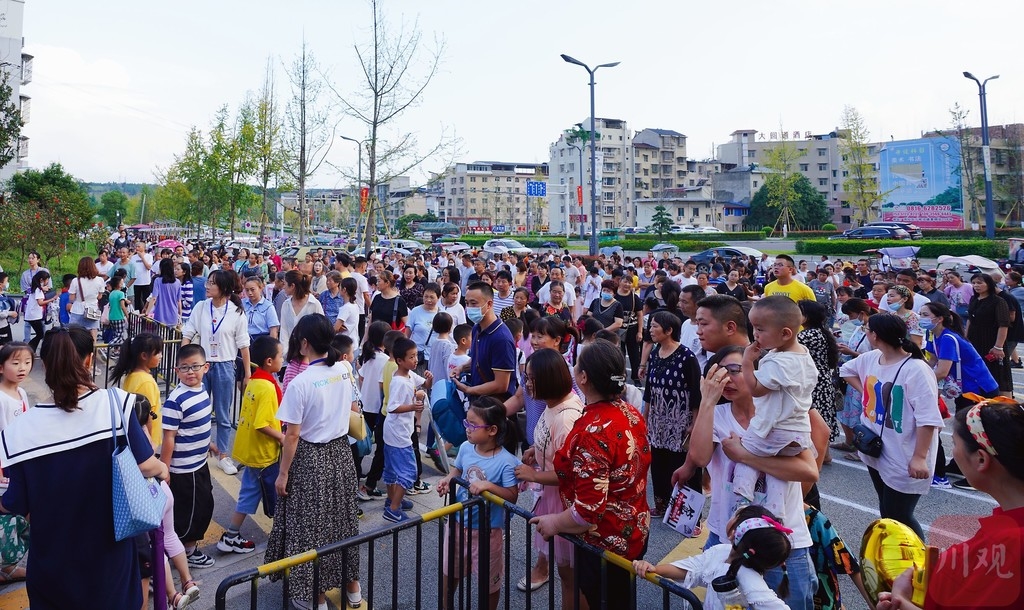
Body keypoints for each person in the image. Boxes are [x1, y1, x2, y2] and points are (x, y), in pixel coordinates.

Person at [0, 327, 168, 609]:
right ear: (89, 360)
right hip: (110, 565)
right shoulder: (116, 407)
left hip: (51, 568)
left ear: (43, 364)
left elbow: (14, 502)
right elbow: (147, 465)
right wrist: (163, 469)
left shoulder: (19, 433)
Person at [673, 346, 820, 609]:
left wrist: (746, 456)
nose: (727, 379)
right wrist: (706, 401)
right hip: (727, 537)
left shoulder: (782, 414)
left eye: (734, 370)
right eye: (718, 373)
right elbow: (699, 457)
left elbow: (809, 471)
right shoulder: (717, 415)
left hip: (784, 543)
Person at [530, 340, 650, 609]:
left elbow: (587, 511)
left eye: (578, 365)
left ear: (583, 377)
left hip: (605, 540)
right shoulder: (628, 411)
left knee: (605, 600)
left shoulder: (593, 432)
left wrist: (554, 522)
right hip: (633, 527)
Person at [878, 396, 1024, 610]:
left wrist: (901, 602)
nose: (953, 451)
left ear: (981, 460)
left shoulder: (1009, 545)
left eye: (954, 443)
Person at [266, 314, 363, 610]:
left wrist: (282, 474)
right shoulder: (345, 368)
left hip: (311, 457)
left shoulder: (301, 382)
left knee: (311, 527)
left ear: (304, 343)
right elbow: (353, 406)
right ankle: (352, 587)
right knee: (343, 520)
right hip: (341, 453)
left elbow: (292, 436)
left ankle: (317, 596)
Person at [839, 314, 941, 539]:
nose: (866, 333)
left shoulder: (916, 370)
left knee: (900, 515)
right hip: (875, 448)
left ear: (875, 336)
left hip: (903, 454)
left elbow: (928, 419)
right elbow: (846, 370)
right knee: (887, 510)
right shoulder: (872, 357)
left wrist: (920, 457)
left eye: (867, 330)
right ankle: (894, 559)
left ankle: (920, 563)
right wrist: (868, 392)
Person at [512, 348, 585, 606]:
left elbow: (572, 473)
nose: (528, 384)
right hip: (552, 495)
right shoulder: (553, 404)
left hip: (563, 500)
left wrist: (535, 474)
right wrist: (536, 450)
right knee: (566, 571)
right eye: (527, 378)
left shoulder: (566, 417)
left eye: (532, 379)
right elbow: (555, 448)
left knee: (570, 573)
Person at [733, 296, 817, 512]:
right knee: (777, 469)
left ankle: (741, 501)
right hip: (797, 431)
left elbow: (755, 389)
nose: (755, 335)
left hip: (773, 428)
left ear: (785, 333)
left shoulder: (779, 361)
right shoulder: (803, 356)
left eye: (760, 329)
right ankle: (776, 511)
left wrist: (747, 362)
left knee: (745, 455)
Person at [436, 397, 520, 610]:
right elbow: (459, 469)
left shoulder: (506, 462)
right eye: (466, 423)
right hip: (456, 525)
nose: (467, 429)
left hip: (487, 532)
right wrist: (448, 479)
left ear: (492, 430)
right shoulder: (465, 447)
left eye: (472, 425)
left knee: (488, 581)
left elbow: (512, 495)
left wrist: (489, 486)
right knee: (450, 571)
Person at [632, 505, 792, 610]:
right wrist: (654, 569)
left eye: (735, 515)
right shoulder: (721, 551)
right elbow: (692, 569)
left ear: (733, 532)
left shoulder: (750, 579)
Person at [920, 301, 998, 490]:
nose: (921, 318)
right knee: (963, 428)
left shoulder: (948, 338)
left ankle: (978, 474)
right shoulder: (933, 334)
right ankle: (958, 465)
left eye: (924, 315)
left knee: (976, 430)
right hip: (964, 388)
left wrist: (919, 381)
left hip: (978, 388)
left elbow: (942, 371)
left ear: (938, 319)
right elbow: (931, 361)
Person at [181, 269, 251, 475]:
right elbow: (188, 332)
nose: (207, 286)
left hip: (225, 366)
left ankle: (222, 455)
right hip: (202, 365)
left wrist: (247, 373)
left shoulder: (236, 312)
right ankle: (197, 448)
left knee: (222, 413)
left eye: (212, 283)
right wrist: (184, 361)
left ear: (224, 288)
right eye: (208, 282)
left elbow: (243, 345)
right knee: (196, 409)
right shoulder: (201, 307)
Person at [219, 335, 283, 555]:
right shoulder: (266, 387)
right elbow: (261, 424)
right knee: (274, 492)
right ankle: (234, 535)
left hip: (251, 450)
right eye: (280, 356)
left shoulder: (254, 381)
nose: (282, 360)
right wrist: (283, 438)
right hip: (263, 453)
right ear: (268, 361)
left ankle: (232, 534)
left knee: (249, 492)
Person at [159, 344, 217, 570]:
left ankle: (184, 548)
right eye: (185, 368)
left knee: (203, 505)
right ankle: (187, 551)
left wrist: (208, 444)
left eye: (195, 366)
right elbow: (169, 437)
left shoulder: (201, 390)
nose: (190, 372)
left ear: (206, 367)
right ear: (176, 371)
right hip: (184, 469)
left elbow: (198, 425)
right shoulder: (176, 399)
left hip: (199, 463)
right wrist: (165, 468)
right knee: (191, 511)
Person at [643, 310, 703, 518]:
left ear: (669, 330)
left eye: (655, 326)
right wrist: (645, 417)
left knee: (684, 466)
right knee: (659, 465)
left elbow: (696, 393)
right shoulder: (655, 353)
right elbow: (649, 390)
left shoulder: (687, 357)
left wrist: (695, 423)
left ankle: (689, 517)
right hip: (658, 422)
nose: (651, 330)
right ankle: (661, 505)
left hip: (680, 423)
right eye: (650, 326)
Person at [382, 337, 433, 522]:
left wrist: (429, 380)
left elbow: (424, 386)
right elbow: (392, 407)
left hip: (398, 431)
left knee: (392, 468)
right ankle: (393, 510)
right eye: (411, 357)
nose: (415, 360)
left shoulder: (409, 375)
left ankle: (392, 500)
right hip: (398, 433)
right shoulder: (399, 382)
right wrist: (413, 406)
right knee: (408, 471)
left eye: (416, 356)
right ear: (399, 360)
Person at [454, 282, 518, 401]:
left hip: (492, 406)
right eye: (467, 303)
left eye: (474, 303)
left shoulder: (501, 338)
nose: (469, 308)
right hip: (478, 402)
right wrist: (462, 367)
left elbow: (501, 384)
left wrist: (469, 390)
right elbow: (479, 358)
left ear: (489, 304)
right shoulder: (476, 328)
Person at [834, 299, 876, 457]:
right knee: (846, 410)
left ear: (862, 313)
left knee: (860, 412)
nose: (850, 318)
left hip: (864, 376)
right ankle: (850, 442)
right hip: (853, 374)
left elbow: (876, 355)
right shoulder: (860, 327)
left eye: (851, 314)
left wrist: (851, 353)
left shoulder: (873, 329)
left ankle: (861, 448)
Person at [111, 332, 165, 448]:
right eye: (157, 353)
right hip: (147, 444)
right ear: (144, 356)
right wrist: (149, 446)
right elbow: (146, 418)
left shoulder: (132, 376)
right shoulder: (146, 382)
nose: (161, 356)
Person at [798, 300, 840, 447]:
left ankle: (821, 454)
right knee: (822, 417)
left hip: (815, 382)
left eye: (799, 312)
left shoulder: (807, 335)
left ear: (807, 316)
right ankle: (825, 453)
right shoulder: (820, 332)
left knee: (814, 420)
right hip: (822, 381)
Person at [966, 272, 1012, 395]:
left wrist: (998, 346)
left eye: (980, 283)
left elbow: (1003, 325)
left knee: (998, 373)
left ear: (989, 284)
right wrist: (965, 338)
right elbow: (970, 319)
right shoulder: (974, 299)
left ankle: (1003, 404)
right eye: (974, 283)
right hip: (975, 341)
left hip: (991, 340)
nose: (976, 285)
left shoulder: (998, 301)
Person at [279, 270, 325, 351]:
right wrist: (286, 353)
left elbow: (321, 329)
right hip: (291, 354)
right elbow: (284, 331)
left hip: (311, 354)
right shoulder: (286, 305)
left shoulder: (314, 304)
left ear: (292, 286)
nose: (283, 287)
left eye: (285, 284)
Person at [68, 255, 105, 338]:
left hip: (77, 309)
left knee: (74, 334)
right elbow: (99, 296)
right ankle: (93, 349)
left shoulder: (75, 281)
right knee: (93, 332)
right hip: (93, 310)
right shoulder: (100, 280)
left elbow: (71, 298)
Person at [406, 283, 441, 373]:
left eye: (432, 297)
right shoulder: (415, 311)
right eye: (426, 296)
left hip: (434, 357)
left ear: (439, 297)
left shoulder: (441, 314)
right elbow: (407, 334)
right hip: (418, 356)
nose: (428, 300)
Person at [148, 257, 182, 327]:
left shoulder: (158, 280)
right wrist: (180, 314)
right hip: (173, 316)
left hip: (160, 317)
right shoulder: (177, 282)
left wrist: (147, 312)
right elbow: (178, 301)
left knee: (160, 337)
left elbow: (154, 298)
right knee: (172, 337)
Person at [243, 276, 281, 340]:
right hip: (244, 340)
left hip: (262, 341)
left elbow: (273, 329)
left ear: (260, 288)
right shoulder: (242, 304)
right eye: (247, 290)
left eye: (252, 290)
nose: (250, 293)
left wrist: (271, 346)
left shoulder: (268, 306)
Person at [25, 270, 53, 353]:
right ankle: (29, 349)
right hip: (34, 316)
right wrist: (52, 299)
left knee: (40, 334)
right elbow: (40, 303)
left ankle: (31, 350)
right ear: (41, 280)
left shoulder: (36, 288)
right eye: (47, 280)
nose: (47, 282)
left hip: (32, 315)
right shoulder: (38, 290)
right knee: (40, 334)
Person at [334, 276, 361, 345]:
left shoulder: (346, 308)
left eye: (339, 288)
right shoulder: (354, 305)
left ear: (344, 289)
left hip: (345, 344)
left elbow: (335, 329)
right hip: (353, 342)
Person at [131, 242, 155, 307]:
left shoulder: (149, 256)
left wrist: (142, 257)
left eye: (139, 246)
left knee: (145, 299)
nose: (137, 248)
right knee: (137, 300)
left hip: (146, 282)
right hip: (136, 282)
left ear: (144, 248)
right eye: (136, 246)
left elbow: (148, 267)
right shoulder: (133, 257)